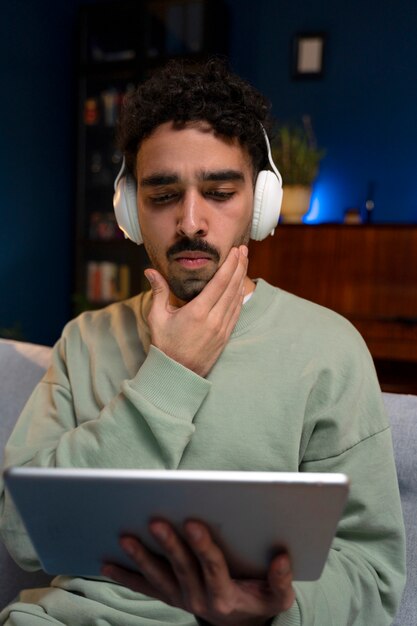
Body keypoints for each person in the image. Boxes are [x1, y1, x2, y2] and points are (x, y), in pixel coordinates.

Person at [0, 58, 405, 626]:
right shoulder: (86, 341)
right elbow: (21, 534)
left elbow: (373, 577)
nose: (191, 221)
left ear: (259, 207)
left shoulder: (329, 350)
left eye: (219, 191)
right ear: (129, 210)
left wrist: (267, 611)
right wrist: (169, 374)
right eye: (163, 196)